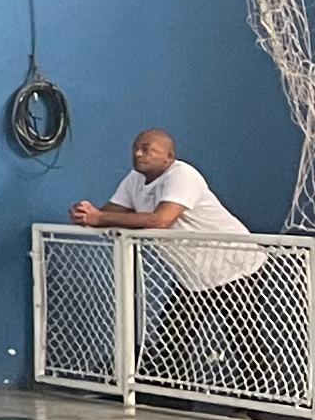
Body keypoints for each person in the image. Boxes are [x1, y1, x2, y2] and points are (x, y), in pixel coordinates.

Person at [68, 128, 273, 388]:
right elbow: (108, 213)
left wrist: (99, 218)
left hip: (233, 267)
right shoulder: (134, 180)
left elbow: (161, 220)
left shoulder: (183, 176)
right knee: (173, 338)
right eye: (135, 148)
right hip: (191, 275)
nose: (138, 154)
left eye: (147, 149)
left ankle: (259, 402)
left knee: (244, 339)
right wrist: (86, 215)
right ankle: (170, 396)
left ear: (168, 156)